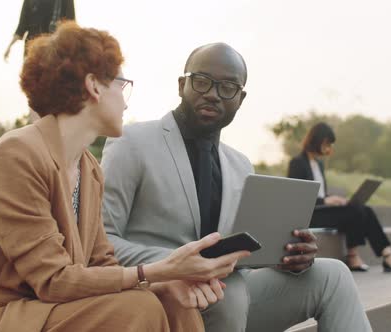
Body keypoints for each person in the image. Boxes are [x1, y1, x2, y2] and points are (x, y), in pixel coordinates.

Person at [0, 22, 249, 332]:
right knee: (139, 307)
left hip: (46, 307)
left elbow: (101, 264)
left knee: (174, 303)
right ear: (94, 86)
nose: (125, 100)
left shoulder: (87, 168)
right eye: (121, 85)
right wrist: (160, 271)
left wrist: (164, 285)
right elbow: (52, 279)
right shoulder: (17, 153)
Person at [101, 43, 372, 332]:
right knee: (228, 294)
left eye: (228, 87)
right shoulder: (131, 142)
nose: (213, 94)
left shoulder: (241, 165)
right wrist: (178, 265)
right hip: (159, 294)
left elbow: (241, 255)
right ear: (182, 85)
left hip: (226, 295)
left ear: (240, 99)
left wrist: (291, 256)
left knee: (333, 275)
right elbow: (101, 240)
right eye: (202, 81)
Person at [288, 122, 391, 273]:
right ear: (317, 141)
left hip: (323, 208)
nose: (329, 148)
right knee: (355, 210)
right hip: (310, 213)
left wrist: (334, 199)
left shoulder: (319, 165)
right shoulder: (297, 163)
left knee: (364, 209)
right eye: (327, 143)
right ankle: (353, 255)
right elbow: (296, 197)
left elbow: (321, 192)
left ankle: (388, 254)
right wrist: (325, 201)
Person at [4, 0, 75, 60]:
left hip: (54, 49)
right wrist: (10, 46)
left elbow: (71, 24)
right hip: (33, 49)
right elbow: (22, 25)